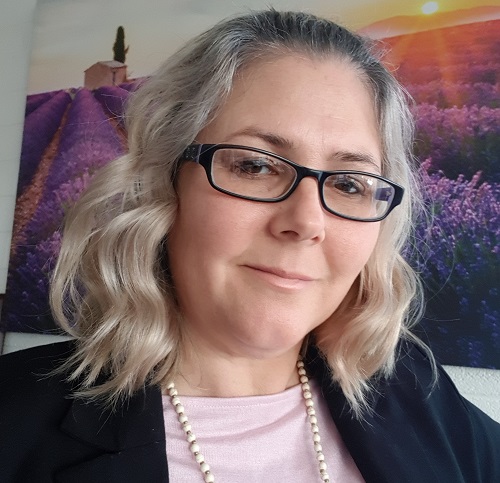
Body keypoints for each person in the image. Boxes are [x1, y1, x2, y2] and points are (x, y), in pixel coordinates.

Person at [0, 9, 499, 483]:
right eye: (255, 166)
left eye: (349, 184)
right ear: (164, 184)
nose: (307, 222)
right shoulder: (15, 424)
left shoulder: (417, 394)